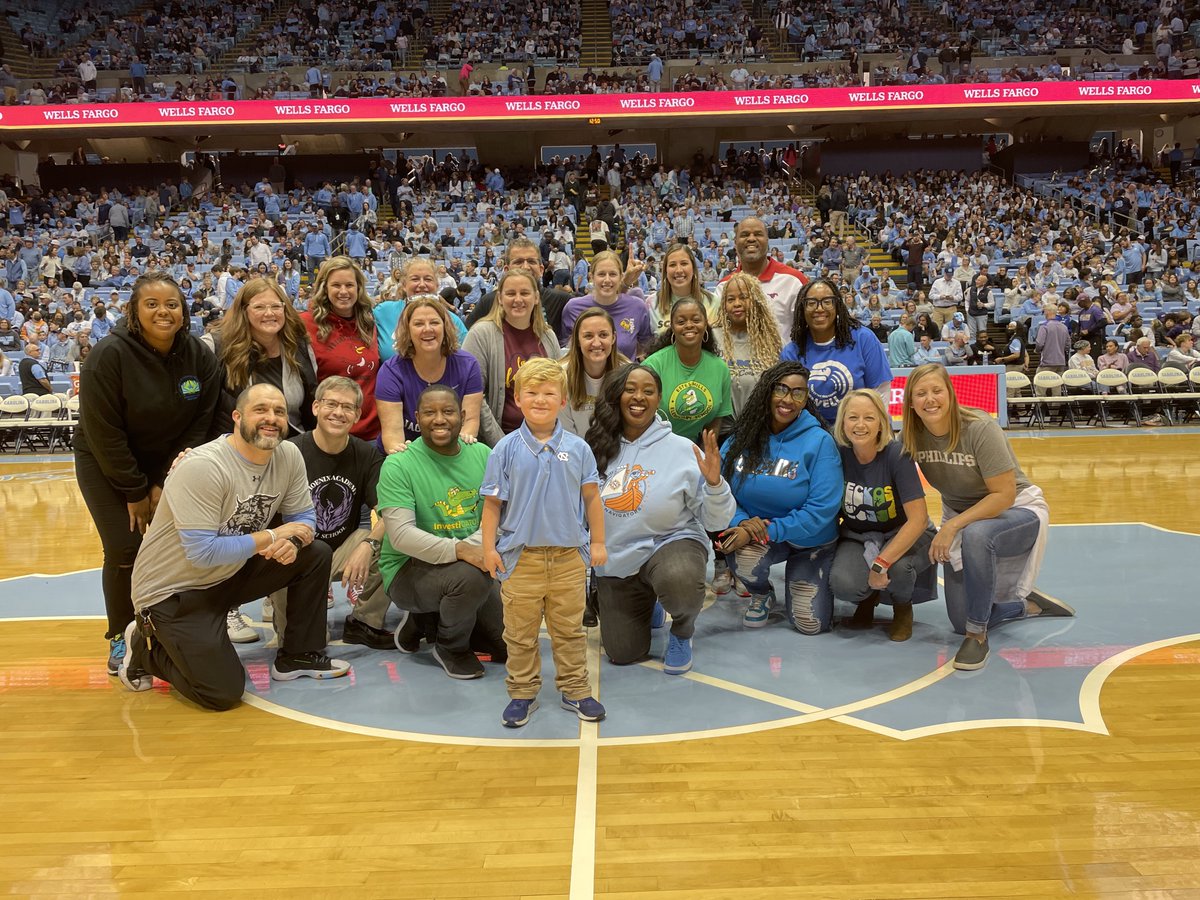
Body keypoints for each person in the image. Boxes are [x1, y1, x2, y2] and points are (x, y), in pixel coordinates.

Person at [116, 384, 350, 706]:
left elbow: (304, 517)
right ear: (237, 417)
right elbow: (202, 553)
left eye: (279, 411)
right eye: (261, 410)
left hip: (228, 574)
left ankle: (298, 655)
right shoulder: (203, 466)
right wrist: (274, 536)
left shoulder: (288, 455)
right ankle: (146, 651)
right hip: (174, 591)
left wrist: (294, 541)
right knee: (221, 693)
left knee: (314, 554)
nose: (271, 418)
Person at [75, 272, 220, 675]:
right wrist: (136, 490)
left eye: (172, 304)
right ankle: (120, 635)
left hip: (168, 463)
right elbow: (104, 432)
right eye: (151, 304)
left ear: (184, 311)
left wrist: (163, 481)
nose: (163, 312)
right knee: (125, 548)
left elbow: (201, 422)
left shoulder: (198, 355)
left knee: (176, 547)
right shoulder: (108, 355)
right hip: (106, 461)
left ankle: (163, 630)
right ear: (134, 312)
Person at [900, 364, 1073, 671]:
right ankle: (1024, 605)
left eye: (937, 390)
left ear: (950, 393)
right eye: (921, 393)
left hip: (1017, 510)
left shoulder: (979, 427)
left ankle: (977, 637)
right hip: (964, 516)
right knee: (959, 619)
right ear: (911, 402)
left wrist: (951, 526)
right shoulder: (912, 436)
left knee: (977, 535)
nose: (930, 399)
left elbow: (1003, 494)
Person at [480, 358, 607, 727]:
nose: (540, 399)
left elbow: (592, 499)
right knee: (519, 635)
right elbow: (492, 505)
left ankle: (575, 689)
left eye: (549, 393)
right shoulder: (504, 449)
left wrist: (598, 542)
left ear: (563, 400)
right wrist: (488, 549)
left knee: (570, 631)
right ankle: (522, 693)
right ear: (518, 398)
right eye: (532, 392)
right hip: (521, 560)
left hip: (569, 559)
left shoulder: (579, 449)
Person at [585, 363, 736, 673]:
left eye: (648, 391)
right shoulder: (595, 446)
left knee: (678, 580)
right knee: (623, 652)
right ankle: (649, 600)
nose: (639, 397)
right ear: (616, 396)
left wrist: (714, 485)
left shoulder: (683, 450)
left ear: (658, 399)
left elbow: (715, 522)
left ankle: (682, 629)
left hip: (669, 542)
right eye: (630, 389)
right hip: (617, 558)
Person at [376, 385, 506, 677]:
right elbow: (401, 536)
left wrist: (472, 549)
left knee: (506, 646)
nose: (439, 419)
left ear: (462, 416)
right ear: (416, 417)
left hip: (467, 562)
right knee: (470, 578)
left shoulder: (483, 455)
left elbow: (496, 517)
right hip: (410, 568)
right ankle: (450, 647)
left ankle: (423, 621)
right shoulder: (398, 464)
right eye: (429, 413)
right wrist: (461, 550)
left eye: (448, 411)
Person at [264, 376, 393, 652]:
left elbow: (388, 511)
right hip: (299, 552)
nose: (338, 412)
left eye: (347, 407)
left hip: (340, 550)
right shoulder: (289, 452)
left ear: (357, 415)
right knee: (310, 644)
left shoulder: (367, 454)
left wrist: (368, 545)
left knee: (394, 539)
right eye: (331, 404)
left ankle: (364, 622)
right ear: (315, 408)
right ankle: (285, 618)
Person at [718, 361, 843, 634]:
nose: (788, 399)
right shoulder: (743, 436)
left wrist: (762, 531)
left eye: (798, 392)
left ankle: (805, 575)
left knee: (810, 625)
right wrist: (741, 522)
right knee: (742, 556)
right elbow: (722, 491)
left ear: (805, 399)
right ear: (767, 391)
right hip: (760, 534)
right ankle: (761, 593)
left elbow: (821, 511)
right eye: (781, 389)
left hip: (811, 541)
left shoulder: (820, 442)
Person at [830, 390, 936, 642]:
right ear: (842, 423)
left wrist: (880, 563)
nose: (860, 425)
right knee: (843, 583)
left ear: (881, 422)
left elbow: (918, 520)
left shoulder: (897, 454)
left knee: (898, 569)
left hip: (904, 532)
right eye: (853, 417)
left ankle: (902, 607)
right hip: (858, 535)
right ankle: (868, 598)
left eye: (869, 417)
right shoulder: (837, 454)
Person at [203, 277, 318, 437]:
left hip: (291, 445)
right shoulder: (216, 347)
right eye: (259, 307)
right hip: (235, 446)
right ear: (244, 311)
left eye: (276, 306)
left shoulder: (299, 346)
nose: (269, 313)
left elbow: (311, 405)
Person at [462, 268, 561, 446]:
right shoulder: (481, 334)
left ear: (536, 298)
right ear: (500, 298)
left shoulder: (548, 336)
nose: (518, 299)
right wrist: (504, 446)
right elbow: (474, 395)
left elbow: (558, 390)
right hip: (497, 443)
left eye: (524, 293)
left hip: (544, 441)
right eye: (510, 293)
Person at [375, 296, 483, 453]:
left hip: (452, 453)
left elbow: (470, 423)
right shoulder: (391, 372)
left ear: (445, 327)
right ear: (407, 331)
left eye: (434, 322)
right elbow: (393, 437)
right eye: (418, 324)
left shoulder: (468, 365)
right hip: (408, 455)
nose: (427, 329)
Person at [781, 277, 892, 425]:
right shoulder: (792, 352)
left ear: (837, 305)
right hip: (812, 433)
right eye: (811, 303)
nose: (819, 309)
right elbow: (789, 405)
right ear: (802, 308)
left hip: (858, 430)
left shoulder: (863, 339)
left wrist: (873, 430)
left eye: (827, 302)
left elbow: (880, 393)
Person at [301, 256, 381, 440]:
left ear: (359, 288)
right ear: (325, 288)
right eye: (336, 285)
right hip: (330, 434)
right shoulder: (305, 324)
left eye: (349, 285)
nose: (343, 291)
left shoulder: (369, 322)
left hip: (372, 434)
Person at [641, 296, 733, 443]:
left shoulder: (720, 368)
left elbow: (715, 421)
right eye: (681, 322)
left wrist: (703, 453)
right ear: (672, 327)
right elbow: (640, 418)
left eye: (696, 320)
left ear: (705, 324)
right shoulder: (652, 366)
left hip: (696, 448)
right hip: (654, 443)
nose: (689, 325)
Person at [715, 216, 807, 343]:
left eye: (758, 234)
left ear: (767, 240)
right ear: (735, 242)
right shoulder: (724, 286)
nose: (751, 239)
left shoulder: (793, 281)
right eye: (745, 235)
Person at [711, 272, 783, 423]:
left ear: (755, 300)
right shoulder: (711, 337)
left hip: (760, 427)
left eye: (744, 297)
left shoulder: (772, 340)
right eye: (731, 299)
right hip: (720, 430)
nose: (737, 303)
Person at [560, 250, 654, 361]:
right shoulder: (573, 308)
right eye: (601, 274)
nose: (607, 280)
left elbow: (645, 347)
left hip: (625, 371)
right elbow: (567, 349)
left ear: (621, 277)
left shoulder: (637, 307)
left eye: (613, 274)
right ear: (592, 276)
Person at [373, 257, 469, 363]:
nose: (422, 285)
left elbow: (465, 362)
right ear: (404, 285)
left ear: (437, 285)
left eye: (428, 279)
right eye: (415, 279)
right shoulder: (383, 312)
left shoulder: (453, 321)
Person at [560, 306, 627, 437]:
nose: (596, 343)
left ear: (613, 338)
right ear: (577, 340)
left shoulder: (627, 374)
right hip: (574, 447)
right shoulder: (561, 376)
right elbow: (566, 436)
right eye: (588, 336)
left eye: (603, 335)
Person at [652, 243, 715, 331]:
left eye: (684, 263)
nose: (679, 270)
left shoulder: (714, 302)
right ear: (665, 271)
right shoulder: (652, 304)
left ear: (693, 268)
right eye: (672, 265)